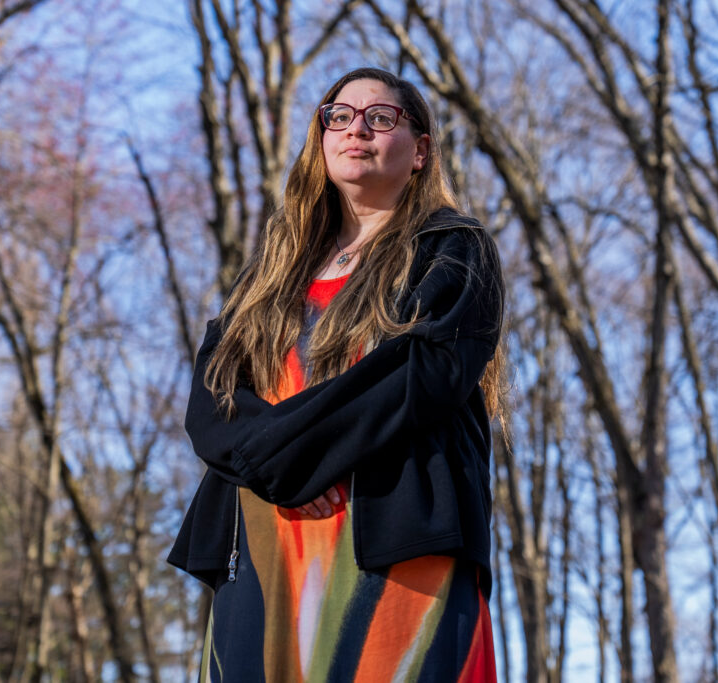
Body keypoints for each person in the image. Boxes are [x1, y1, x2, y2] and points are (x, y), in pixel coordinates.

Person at [168, 67, 505, 682]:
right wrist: (281, 472)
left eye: (381, 117)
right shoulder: (270, 270)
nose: (357, 129)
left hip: (395, 554)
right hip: (264, 552)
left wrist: (295, 459)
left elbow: (422, 374)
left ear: (421, 150)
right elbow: (212, 401)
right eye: (339, 116)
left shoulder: (453, 247)